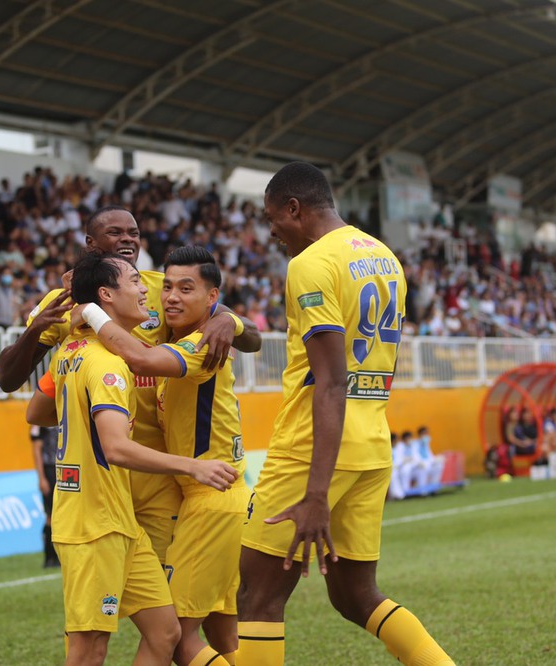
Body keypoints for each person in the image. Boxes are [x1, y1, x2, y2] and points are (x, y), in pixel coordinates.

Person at [238, 162, 454, 665]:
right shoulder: (384, 257)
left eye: (273, 218)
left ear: (295, 208)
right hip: (372, 442)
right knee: (355, 596)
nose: (271, 232)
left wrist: (316, 493)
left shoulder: (311, 264)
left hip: (313, 448)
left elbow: (331, 382)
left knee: (257, 598)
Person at [0, 206, 260, 566]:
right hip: (101, 473)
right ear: (90, 243)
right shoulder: (62, 303)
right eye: (115, 233)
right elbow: (10, 380)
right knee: (110, 599)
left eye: (133, 233)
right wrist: (35, 333)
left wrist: (230, 320)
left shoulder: (155, 287)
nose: (127, 240)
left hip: (156, 469)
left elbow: (249, 334)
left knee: (166, 598)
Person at [38, 252, 237, 666]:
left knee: (166, 632)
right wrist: (193, 465)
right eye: (135, 282)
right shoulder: (109, 364)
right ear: (106, 296)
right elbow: (116, 448)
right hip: (95, 524)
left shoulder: (71, 351)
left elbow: (35, 413)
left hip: (120, 519)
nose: (148, 289)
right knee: (88, 647)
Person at [27, 381, 60, 569]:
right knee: (50, 515)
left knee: (62, 515)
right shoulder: (41, 419)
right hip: (49, 468)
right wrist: (41, 477)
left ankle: (58, 557)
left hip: (65, 467)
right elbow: (36, 448)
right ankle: (49, 558)